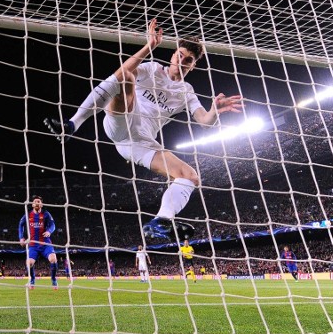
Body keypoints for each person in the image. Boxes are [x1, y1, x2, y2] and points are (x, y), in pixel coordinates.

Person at [45, 19, 242, 239]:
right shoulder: (153, 69)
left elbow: (205, 121)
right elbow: (120, 73)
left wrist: (214, 110)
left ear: (193, 65)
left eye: (189, 59)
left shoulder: (187, 91)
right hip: (122, 121)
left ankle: (161, 221)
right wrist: (149, 46)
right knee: (126, 76)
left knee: (191, 177)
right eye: (180, 54)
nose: (182, 60)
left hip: (141, 143)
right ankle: (72, 124)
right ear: (173, 54)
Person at [18, 195, 58, 289]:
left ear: (42, 204)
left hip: (45, 244)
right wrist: (21, 237)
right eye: (35, 201)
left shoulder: (46, 214)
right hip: (33, 245)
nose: (37, 203)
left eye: (39, 201)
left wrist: (49, 231)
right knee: (29, 263)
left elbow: (53, 225)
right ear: (32, 204)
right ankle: (32, 279)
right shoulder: (28, 215)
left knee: (53, 259)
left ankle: (53, 279)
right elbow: (21, 224)